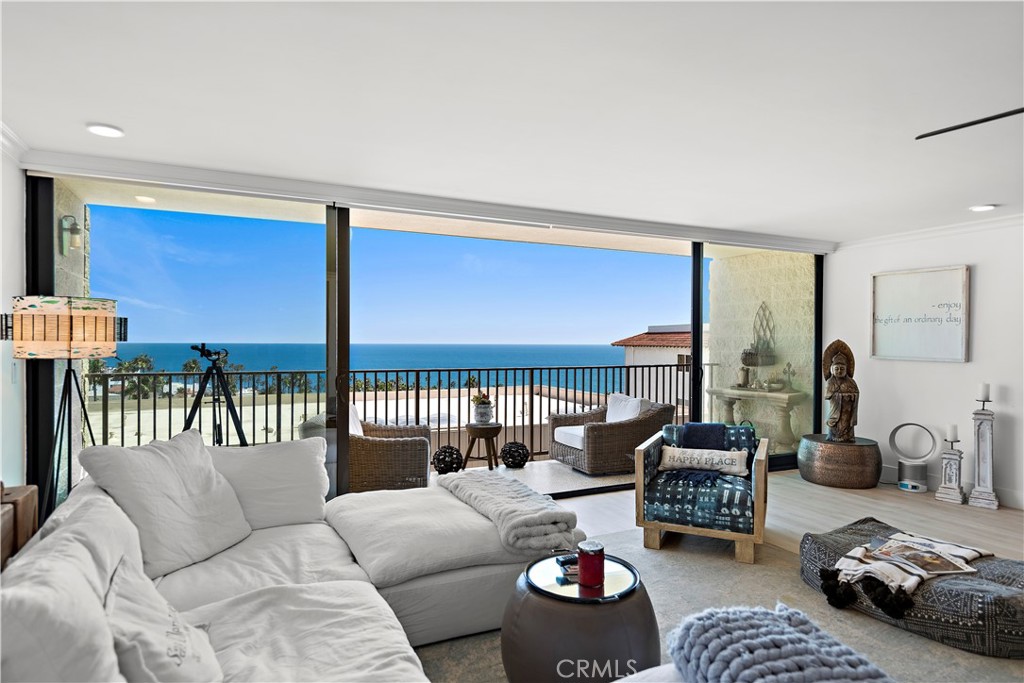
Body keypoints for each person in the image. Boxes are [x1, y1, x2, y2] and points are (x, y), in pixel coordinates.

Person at [825, 352, 859, 442]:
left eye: (842, 369)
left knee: (846, 424)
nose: (839, 371)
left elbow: (856, 394)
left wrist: (852, 396)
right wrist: (842, 396)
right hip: (836, 411)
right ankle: (833, 437)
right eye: (837, 369)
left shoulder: (851, 382)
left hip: (847, 411)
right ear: (832, 369)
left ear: (846, 369)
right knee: (835, 427)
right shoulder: (830, 382)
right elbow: (828, 396)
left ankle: (848, 437)